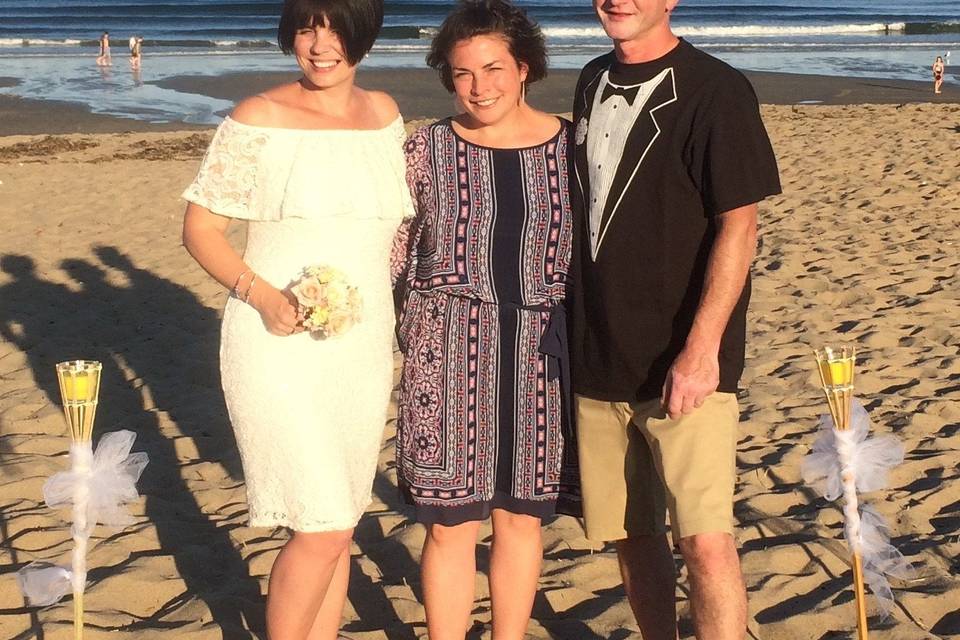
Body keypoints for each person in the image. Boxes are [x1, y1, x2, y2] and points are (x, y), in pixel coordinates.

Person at [181, 0, 411, 637]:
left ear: (363, 33)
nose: (321, 43)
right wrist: (263, 297)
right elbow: (201, 228)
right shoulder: (260, 116)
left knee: (337, 518)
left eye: (336, 26)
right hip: (274, 341)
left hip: (361, 348)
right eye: (308, 26)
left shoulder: (386, 114)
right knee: (323, 522)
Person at [568, 1, 781, 639]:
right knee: (632, 536)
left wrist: (702, 349)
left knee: (706, 541)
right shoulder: (590, 79)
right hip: (598, 356)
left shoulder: (717, 88)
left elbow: (739, 226)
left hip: (686, 364)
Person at [392, 1, 577, 637]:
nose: (480, 86)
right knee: (450, 523)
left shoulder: (572, 147)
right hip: (445, 354)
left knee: (522, 518)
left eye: (494, 68)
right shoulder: (426, 148)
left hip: (540, 356)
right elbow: (392, 246)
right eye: (463, 73)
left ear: (524, 67)